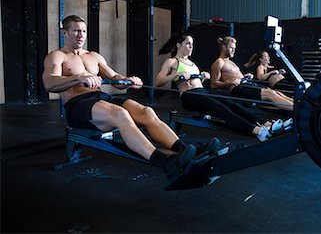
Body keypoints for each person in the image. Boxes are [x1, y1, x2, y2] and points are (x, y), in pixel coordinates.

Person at [42, 15, 202, 179]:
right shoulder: (56, 56)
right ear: (65, 33)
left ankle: (185, 151)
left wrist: (127, 80)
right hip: (78, 105)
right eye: (76, 31)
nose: (81, 35)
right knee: (120, 114)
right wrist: (77, 78)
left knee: (146, 112)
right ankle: (165, 162)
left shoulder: (93, 56)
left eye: (83, 31)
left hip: (100, 98)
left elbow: (114, 78)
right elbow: (49, 83)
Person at [155, 33, 286, 142]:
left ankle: (267, 124)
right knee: (220, 108)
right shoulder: (172, 62)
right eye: (187, 44)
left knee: (232, 105)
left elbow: (199, 81)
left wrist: (203, 76)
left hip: (202, 92)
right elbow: (158, 82)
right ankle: (257, 131)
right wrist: (177, 74)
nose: (191, 47)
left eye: (192, 44)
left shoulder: (192, 64)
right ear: (178, 45)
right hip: (189, 96)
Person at [210, 36, 294, 111]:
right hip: (238, 89)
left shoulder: (230, 62)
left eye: (234, 49)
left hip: (246, 84)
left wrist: (245, 76)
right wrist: (230, 83)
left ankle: (300, 106)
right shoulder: (219, 62)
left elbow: (235, 77)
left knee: (276, 92)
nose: (234, 51)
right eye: (231, 48)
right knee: (270, 94)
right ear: (224, 47)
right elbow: (213, 84)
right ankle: (298, 111)